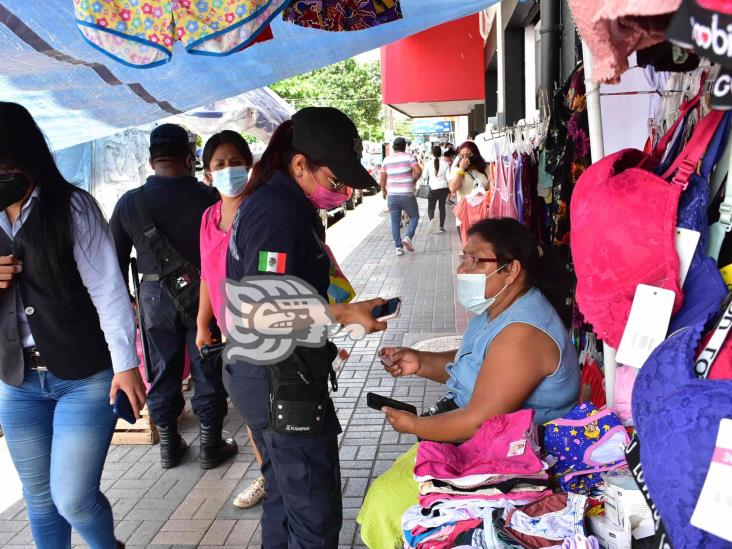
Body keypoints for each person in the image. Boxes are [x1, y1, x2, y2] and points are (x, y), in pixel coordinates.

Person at [357, 218, 581, 548]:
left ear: (510, 269)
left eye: (474, 260)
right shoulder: (498, 311)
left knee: (386, 503)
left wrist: (414, 425)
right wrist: (420, 363)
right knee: (388, 497)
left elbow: (477, 422)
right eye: (464, 256)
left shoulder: (523, 333)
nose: (463, 268)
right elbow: (479, 368)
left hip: (516, 458)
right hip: (483, 444)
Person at [225, 107, 388, 547]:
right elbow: (260, 311)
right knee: (313, 515)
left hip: (275, 374)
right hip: (278, 381)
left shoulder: (282, 203)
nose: (342, 193)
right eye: (336, 182)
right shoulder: (276, 211)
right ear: (300, 164)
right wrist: (341, 315)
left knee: (284, 500)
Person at [0, 102, 146, 549]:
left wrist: (126, 366)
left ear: (24, 155)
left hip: (84, 377)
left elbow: (109, 292)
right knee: (40, 500)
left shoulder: (73, 208)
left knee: (72, 497)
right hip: (16, 380)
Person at [110, 123, 237, 470]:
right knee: (207, 366)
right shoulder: (209, 198)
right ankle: (211, 445)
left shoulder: (128, 204)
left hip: (153, 300)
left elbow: (113, 266)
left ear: (151, 161)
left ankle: (169, 446)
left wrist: (130, 306)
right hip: (204, 295)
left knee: (161, 370)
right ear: (188, 159)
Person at [194, 130, 265, 509]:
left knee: (282, 408)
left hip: (271, 330)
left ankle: (294, 474)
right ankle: (269, 474)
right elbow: (207, 274)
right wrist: (202, 323)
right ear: (207, 174)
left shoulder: (263, 209)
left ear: (249, 166)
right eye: (219, 164)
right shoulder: (208, 217)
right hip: (230, 332)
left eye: (235, 162)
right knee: (251, 411)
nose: (228, 170)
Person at [380, 137, 422, 256]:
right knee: (414, 216)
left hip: (392, 195)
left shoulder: (387, 160)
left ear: (393, 147)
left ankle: (398, 248)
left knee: (395, 222)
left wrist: (384, 191)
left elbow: (382, 178)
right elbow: (418, 171)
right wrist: (413, 180)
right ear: (404, 147)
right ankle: (408, 237)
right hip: (407, 194)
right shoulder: (409, 157)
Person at [424, 146, 455, 233]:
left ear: (432, 153)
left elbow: (424, 176)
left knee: (431, 207)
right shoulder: (445, 164)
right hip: (443, 189)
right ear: (441, 153)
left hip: (432, 188)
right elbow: (449, 178)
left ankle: (432, 223)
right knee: (442, 207)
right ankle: (441, 227)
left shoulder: (428, 163)